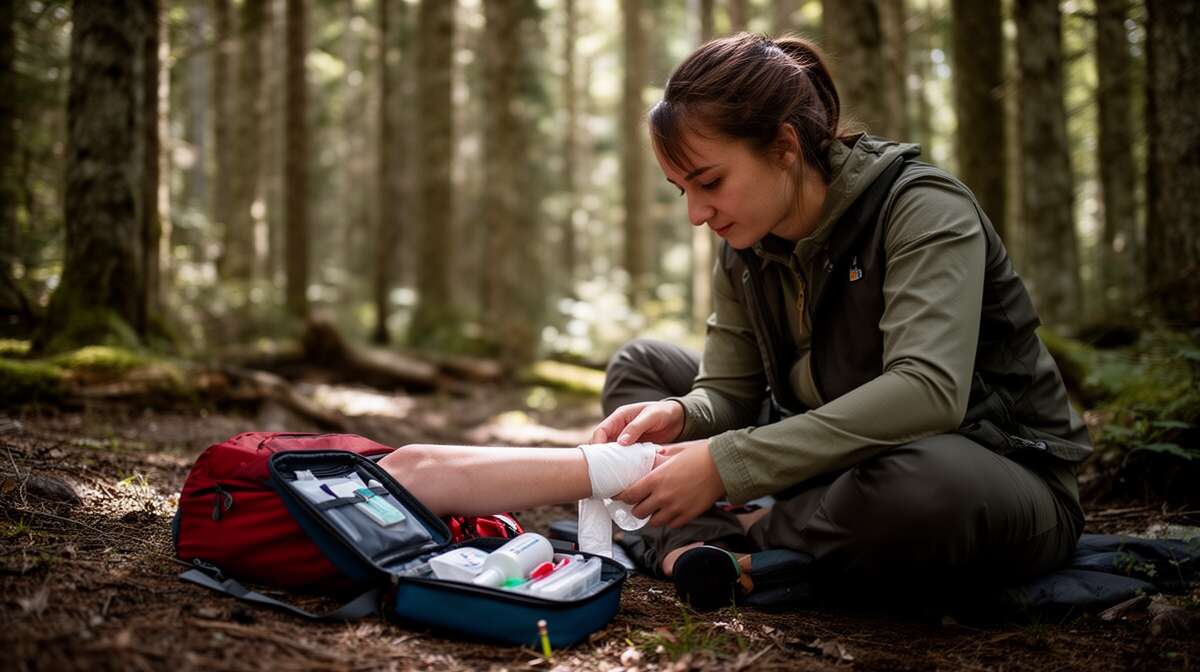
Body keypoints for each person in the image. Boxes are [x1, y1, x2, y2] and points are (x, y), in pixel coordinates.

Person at [381, 32, 1092, 610]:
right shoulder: (746, 245)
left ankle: (728, 535)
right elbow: (727, 394)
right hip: (827, 470)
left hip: (987, 473)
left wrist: (728, 466)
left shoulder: (922, 210)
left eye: (710, 181)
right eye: (681, 189)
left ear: (785, 146)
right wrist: (680, 416)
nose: (697, 213)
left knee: (924, 488)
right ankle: (721, 541)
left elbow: (928, 392)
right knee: (643, 368)